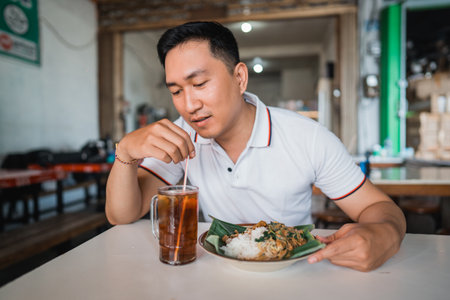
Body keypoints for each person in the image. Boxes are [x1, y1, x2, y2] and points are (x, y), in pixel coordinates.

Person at [106, 21, 406, 272]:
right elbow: (122, 214)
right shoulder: (182, 135)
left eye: (199, 84)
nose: (189, 105)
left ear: (239, 77)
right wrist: (126, 153)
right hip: (214, 276)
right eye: (176, 91)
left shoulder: (306, 137)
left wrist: (384, 235)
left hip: (296, 272)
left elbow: (378, 208)